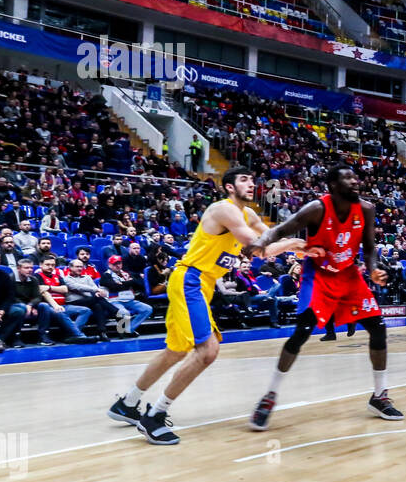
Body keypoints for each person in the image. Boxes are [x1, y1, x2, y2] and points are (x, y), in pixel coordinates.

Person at [107, 168, 291, 445]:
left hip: (201, 284)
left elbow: (275, 238)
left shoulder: (250, 215)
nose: (251, 183)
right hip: (190, 279)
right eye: (244, 179)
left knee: (176, 351)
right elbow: (258, 248)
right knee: (207, 351)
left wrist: (309, 248)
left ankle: (127, 404)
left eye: (252, 180)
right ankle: (155, 416)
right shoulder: (224, 210)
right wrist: (297, 244)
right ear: (229, 187)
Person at [246, 165, 401, 429]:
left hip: (349, 275)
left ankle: (380, 395)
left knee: (378, 327)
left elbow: (370, 247)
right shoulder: (316, 209)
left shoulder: (366, 209)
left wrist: (373, 268)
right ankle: (269, 396)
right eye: (347, 178)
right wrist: (262, 242)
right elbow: (281, 230)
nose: (355, 181)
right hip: (318, 275)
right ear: (332, 185)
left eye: (355, 177)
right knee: (302, 331)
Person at [99, 255, 153, 335]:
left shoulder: (126, 273)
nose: (118, 265)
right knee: (124, 312)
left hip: (129, 300)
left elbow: (139, 284)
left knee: (148, 309)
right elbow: (114, 287)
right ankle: (122, 331)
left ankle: (128, 330)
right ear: (109, 265)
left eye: (119, 263)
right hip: (114, 301)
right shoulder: (106, 275)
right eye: (115, 264)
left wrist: (124, 284)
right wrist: (129, 282)